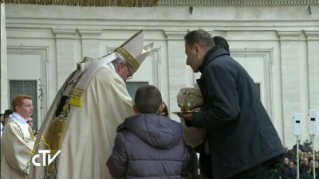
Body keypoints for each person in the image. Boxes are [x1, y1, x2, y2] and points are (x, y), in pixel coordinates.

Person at [29, 30, 154, 179]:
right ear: (122, 66)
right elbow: (126, 118)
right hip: (80, 150)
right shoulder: (108, 78)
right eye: (129, 75)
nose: (126, 80)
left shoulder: (84, 71)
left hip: (60, 144)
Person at [178, 29, 285, 179]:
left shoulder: (216, 68)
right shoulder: (225, 64)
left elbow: (226, 111)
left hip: (246, 159)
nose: (187, 61)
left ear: (197, 49)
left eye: (187, 54)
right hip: (252, 155)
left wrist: (195, 118)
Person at [106, 85, 189, 178]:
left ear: (135, 109)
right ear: (161, 107)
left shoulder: (124, 137)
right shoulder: (177, 136)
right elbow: (184, 165)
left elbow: (115, 170)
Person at [1, 94, 35, 179]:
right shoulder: (12, 126)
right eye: (28, 106)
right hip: (16, 173)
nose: (32, 108)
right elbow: (18, 151)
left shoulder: (25, 125)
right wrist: (39, 157)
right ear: (18, 108)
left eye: (31, 105)